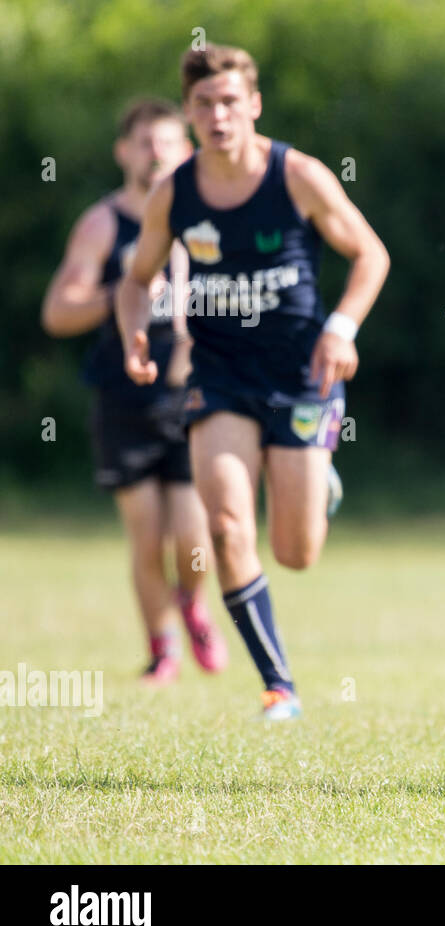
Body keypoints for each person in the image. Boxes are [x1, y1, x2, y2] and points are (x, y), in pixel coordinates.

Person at [116, 45, 390, 719]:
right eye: (204, 104)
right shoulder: (174, 192)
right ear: (189, 112)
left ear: (254, 105)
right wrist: (134, 332)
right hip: (221, 378)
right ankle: (279, 685)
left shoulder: (297, 175)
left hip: (302, 376)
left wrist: (342, 328)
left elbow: (370, 255)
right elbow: (135, 279)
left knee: (295, 553)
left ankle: (316, 479)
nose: (218, 115)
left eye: (230, 101)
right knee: (230, 526)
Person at [42, 97, 226, 685]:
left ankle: (193, 604)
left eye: (169, 142)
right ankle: (161, 649)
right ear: (124, 151)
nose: (157, 153)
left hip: (194, 394)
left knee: (194, 535)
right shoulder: (103, 224)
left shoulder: (207, 219)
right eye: (146, 142)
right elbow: (57, 312)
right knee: (147, 537)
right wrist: (125, 293)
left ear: (187, 150)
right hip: (125, 398)